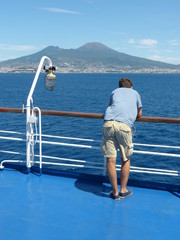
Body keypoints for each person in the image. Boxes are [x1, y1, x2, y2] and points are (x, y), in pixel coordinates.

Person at [102, 78, 142, 200]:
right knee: (125, 159)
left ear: (119, 86)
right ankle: (123, 190)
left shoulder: (115, 91)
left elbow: (110, 106)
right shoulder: (135, 93)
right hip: (124, 126)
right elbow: (139, 113)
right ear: (131, 87)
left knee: (110, 160)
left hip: (108, 124)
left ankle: (115, 193)